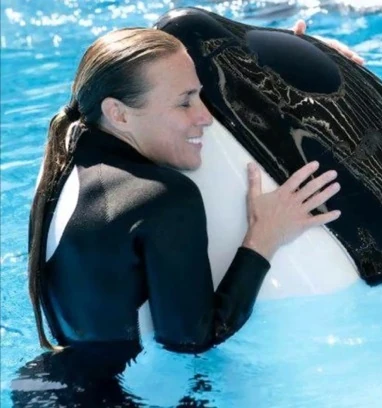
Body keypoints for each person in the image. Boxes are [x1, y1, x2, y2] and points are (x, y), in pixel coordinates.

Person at [27, 22, 361, 355]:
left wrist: (294, 60)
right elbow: (192, 341)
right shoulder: (162, 197)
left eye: (200, 94)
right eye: (185, 103)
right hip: (134, 385)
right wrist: (265, 235)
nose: (206, 116)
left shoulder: (63, 161)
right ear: (119, 114)